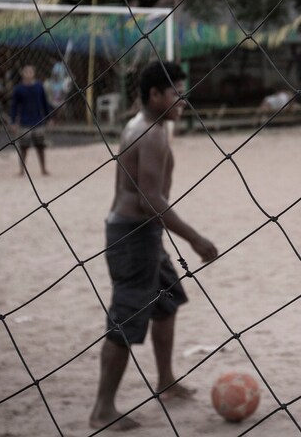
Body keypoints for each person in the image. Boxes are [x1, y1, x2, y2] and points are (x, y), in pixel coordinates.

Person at [90, 60, 219, 431]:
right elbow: (150, 200)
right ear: (154, 94)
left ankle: (165, 381)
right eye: (176, 93)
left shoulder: (148, 126)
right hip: (133, 237)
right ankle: (103, 410)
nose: (183, 100)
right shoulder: (149, 133)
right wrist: (195, 238)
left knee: (167, 301)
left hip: (144, 234)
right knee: (125, 319)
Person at [9, 64, 53, 176]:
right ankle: (21, 170)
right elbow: (14, 106)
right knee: (23, 147)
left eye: (30, 71)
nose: (28, 74)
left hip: (38, 121)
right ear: (22, 73)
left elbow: (45, 103)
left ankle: (43, 169)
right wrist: (13, 122)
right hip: (24, 122)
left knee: (40, 146)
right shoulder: (18, 89)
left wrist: (49, 118)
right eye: (26, 71)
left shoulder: (39, 86)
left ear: (34, 73)